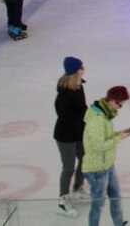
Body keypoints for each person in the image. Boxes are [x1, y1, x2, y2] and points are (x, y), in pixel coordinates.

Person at [82, 85, 130, 226]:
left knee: (116, 198)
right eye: (120, 105)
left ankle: (119, 223)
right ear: (112, 101)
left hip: (107, 165)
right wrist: (120, 137)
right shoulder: (97, 120)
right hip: (96, 169)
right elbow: (99, 146)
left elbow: (106, 138)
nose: (119, 108)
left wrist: (121, 133)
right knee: (98, 205)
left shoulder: (105, 116)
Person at [54, 57, 87, 218]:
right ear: (74, 71)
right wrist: (84, 123)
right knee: (68, 168)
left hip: (78, 132)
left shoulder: (79, 85)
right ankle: (63, 201)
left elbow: (83, 108)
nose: (83, 69)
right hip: (65, 135)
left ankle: (78, 188)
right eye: (81, 68)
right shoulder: (64, 94)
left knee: (84, 158)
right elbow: (67, 118)